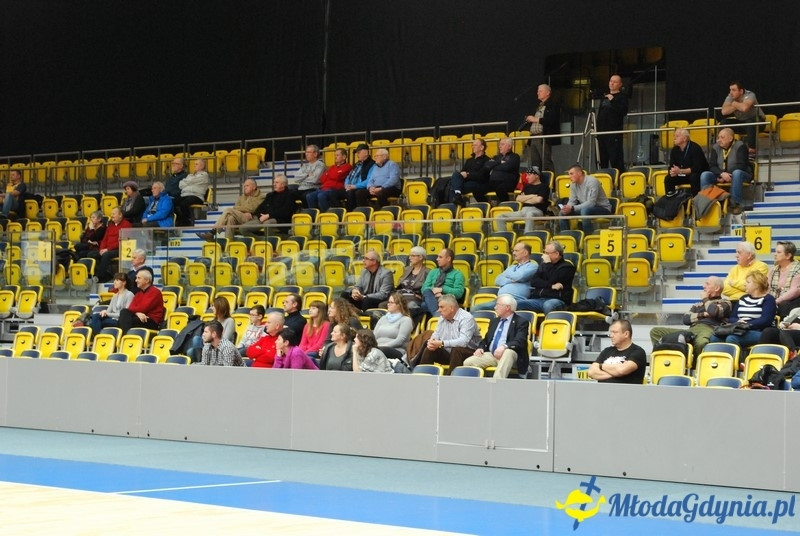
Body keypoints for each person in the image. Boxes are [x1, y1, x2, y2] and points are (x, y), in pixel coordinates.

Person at [649, 276, 732, 357]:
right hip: (692, 329)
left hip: (709, 328)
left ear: (717, 288)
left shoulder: (725, 302)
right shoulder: (697, 305)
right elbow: (686, 319)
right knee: (655, 332)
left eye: (707, 284)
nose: (703, 286)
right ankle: (667, 358)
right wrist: (703, 314)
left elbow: (714, 312)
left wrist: (705, 299)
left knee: (701, 343)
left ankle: (696, 367)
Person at [461, 294, 531, 378]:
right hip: (492, 355)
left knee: (508, 352)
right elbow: (486, 340)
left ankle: (497, 384)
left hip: (512, 356)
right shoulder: (494, 321)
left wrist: (504, 347)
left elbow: (520, 341)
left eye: (498, 305)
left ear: (507, 307)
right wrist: (481, 348)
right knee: (468, 362)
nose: (495, 307)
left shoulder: (521, 322)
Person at [711, 271, 777, 351]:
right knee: (715, 338)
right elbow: (732, 317)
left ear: (757, 285)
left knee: (731, 338)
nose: (745, 284)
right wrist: (739, 321)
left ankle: (738, 363)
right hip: (740, 328)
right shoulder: (743, 298)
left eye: (748, 282)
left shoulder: (768, 299)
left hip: (759, 331)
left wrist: (747, 324)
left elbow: (766, 320)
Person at [417, 294, 481, 374]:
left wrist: (442, 343)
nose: (438, 310)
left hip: (471, 353)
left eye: (441, 307)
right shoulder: (442, 318)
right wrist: (432, 342)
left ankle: (450, 381)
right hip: (449, 353)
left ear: (451, 308)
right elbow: (436, 335)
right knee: (430, 349)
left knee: (457, 350)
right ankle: (422, 377)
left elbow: (463, 342)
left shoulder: (466, 318)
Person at [699, 127, 752, 214]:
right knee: (705, 175)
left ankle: (735, 204)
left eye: (722, 137)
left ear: (730, 138)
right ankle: (706, 203)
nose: (719, 140)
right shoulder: (716, 147)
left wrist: (727, 174)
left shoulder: (740, 146)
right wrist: (721, 174)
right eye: (718, 137)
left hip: (741, 174)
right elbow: (712, 166)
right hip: (721, 174)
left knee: (737, 173)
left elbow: (742, 165)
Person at [472, 242, 538, 311]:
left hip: (515, 300)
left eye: (516, 251)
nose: (514, 253)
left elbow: (519, 276)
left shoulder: (532, 266)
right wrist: (511, 280)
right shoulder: (512, 267)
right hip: (500, 299)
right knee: (475, 308)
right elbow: (497, 280)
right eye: (513, 251)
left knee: (477, 308)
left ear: (525, 253)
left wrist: (508, 275)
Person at [517, 240, 576, 314]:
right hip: (538, 299)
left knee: (548, 305)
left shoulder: (567, 267)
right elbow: (534, 281)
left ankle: (550, 325)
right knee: (516, 304)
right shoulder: (543, 265)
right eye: (544, 252)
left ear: (556, 254)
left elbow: (554, 279)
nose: (543, 256)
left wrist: (548, 263)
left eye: (547, 253)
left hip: (557, 299)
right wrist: (551, 286)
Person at [197, 178, 264, 241]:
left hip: (252, 219)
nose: (245, 187)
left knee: (229, 210)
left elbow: (252, 208)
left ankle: (213, 232)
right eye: (244, 186)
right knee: (230, 218)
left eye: (247, 186)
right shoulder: (241, 197)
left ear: (254, 187)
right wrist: (243, 211)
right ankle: (229, 242)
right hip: (241, 217)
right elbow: (237, 208)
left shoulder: (260, 197)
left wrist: (239, 209)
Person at [588, 319, 647, 384]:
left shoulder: (637, 352)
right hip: (603, 392)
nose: (611, 335)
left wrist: (601, 366)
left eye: (615, 332)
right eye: (611, 332)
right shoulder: (606, 351)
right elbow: (591, 372)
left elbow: (622, 370)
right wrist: (615, 374)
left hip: (626, 392)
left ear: (626, 334)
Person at [559, 164, 612, 235]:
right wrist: (567, 208)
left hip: (602, 208)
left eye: (571, 174)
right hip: (584, 208)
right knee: (562, 212)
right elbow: (572, 200)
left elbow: (591, 203)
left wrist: (572, 208)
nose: (569, 177)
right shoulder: (573, 185)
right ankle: (567, 236)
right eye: (569, 174)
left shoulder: (592, 182)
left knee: (585, 211)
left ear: (579, 173)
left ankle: (588, 236)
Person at [498, 167, 550, 233]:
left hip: (537, 210)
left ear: (536, 175)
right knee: (501, 216)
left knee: (529, 214)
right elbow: (518, 199)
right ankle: (503, 236)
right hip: (523, 210)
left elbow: (538, 200)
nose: (527, 177)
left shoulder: (544, 187)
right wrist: (532, 196)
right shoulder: (526, 187)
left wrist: (525, 198)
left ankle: (527, 235)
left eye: (529, 175)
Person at [418, 248, 465, 318]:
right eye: (437, 257)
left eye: (440, 257)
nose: (437, 259)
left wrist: (442, 290)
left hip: (447, 301)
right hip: (432, 297)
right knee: (427, 291)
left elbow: (459, 293)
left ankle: (437, 316)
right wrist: (434, 291)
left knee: (422, 306)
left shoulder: (458, 274)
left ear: (448, 259)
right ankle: (438, 316)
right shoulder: (433, 272)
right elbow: (424, 288)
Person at [524, 84, 561, 172]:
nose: (538, 93)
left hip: (543, 137)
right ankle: (535, 182)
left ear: (548, 92)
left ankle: (549, 183)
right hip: (533, 137)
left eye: (540, 91)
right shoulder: (538, 106)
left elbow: (552, 120)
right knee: (534, 162)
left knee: (546, 162)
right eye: (537, 91)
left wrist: (535, 119)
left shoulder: (553, 105)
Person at [596, 74, 628, 172]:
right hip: (602, 132)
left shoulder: (622, 97)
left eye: (615, 82)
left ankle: (618, 180)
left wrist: (613, 100)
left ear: (620, 84)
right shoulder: (604, 98)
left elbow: (623, 111)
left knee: (615, 158)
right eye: (611, 81)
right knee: (602, 158)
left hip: (614, 132)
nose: (612, 83)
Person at [91, 207, 132, 283]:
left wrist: (107, 249)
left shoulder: (127, 225)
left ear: (120, 215)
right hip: (107, 249)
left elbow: (122, 241)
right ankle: (106, 275)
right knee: (92, 254)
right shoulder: (110, 225)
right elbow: (105, 239)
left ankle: (100, 278)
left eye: (114, 213)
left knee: (106, 255)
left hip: (119, 249)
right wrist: (101, 249)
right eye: (111, 213)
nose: (111, 215)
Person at [117, 269, 164, 334]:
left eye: (139, 278)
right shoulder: (138, 294)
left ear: (147, 280)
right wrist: (137, 313)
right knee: (124, 313)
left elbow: (143, 308)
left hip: (151, 320)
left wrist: (135, 312)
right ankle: (125, 337)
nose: (136, 280)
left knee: (124, 318)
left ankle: (125, 338)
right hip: (139, 318)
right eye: (136, 278)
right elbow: (130, 307)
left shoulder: (155, 292)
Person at [447, 139, 491, 207]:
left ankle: (454, 207)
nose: (473, 147)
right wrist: (464, 175)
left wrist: (468, 175)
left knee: (453, 187)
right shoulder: (469, 160)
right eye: (472, 145)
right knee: (456, 175)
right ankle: (457, 200)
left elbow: (482, 175)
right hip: (467, 182)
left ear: (482, 147)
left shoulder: (487, 160)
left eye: (475, 145)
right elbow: (462, 172)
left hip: (479, 183)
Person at [721, 81, 763, 150]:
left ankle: (752, 150)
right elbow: (724, 111)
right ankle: (727, 148)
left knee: (750, 122)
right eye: (730, 90)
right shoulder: (730, 97)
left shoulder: (750, 95)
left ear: (741, 91)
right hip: (742, 122)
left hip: (758, 122)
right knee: (724, 123)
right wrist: (738, 105)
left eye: (734, 90)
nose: (731, 92)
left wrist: (733, 103)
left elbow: (744, 108)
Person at [667, 128, 709, 196]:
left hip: (696, 175)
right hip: (682, 175)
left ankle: (695, 200)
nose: (674, 138)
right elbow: (671, 165)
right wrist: (672, 171)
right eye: (674, 136)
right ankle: (671, 200)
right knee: (668, 178)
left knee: (694, 177)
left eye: (677, 136)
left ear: (684, 138)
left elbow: (697, 168)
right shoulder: (674, 150)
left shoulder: (695, 148)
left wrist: (680, 171)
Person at [373, 292, 414, 360]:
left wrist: (383, 346)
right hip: (378, 348)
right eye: (388, 302)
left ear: (399, 305)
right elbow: (374, 336)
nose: (388, 304)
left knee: (380, 351)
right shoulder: (383, 318)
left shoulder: (406, 320)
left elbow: (400, 340)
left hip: (396, 350)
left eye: (391, 302)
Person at [768, 241, 800, 319]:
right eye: (775, 251)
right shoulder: (773, 270)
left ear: (788, 255)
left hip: (791, 302)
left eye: (778, 252)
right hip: (773, 300)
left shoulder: (798, 269)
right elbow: (766, 287)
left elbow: (795, 291)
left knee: (784, 305)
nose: (775, 254)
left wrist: (776, 301)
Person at [484, 138, 521, 203]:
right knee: (478, 189)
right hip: (493, 182)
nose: (499, 146)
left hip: (507, 182)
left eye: (502, 144)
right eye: (499, 144)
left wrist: (494, 165)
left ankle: (506, 205)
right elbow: (487, 165)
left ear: (509, 146)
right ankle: (489, 207)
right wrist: (500, 162)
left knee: (500, 189)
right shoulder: (496, 157)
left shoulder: (515, 157)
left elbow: (507, 167)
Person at [175, 158, 209, 226]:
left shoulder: (204, 175)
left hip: (197, 196)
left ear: (202, 166)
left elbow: (187, 182)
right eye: (194, 164)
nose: (194, 166)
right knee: (172, 202)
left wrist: (186, 182)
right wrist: (190, 182)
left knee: (184, 204)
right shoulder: (189, 175)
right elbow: (180, 184)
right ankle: (179, 220)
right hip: (185, 195)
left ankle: (187, 221)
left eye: (196, 164)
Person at [341, 143, 375, 211]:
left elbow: (369, 180)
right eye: (357, 153)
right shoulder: (357, 164)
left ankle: (356, 213)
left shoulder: (372, 164)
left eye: (359, 152)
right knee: (333, 193)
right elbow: (348, 176)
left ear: (366, 153)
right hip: (351, 187)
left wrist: (355, 186)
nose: (357, 154)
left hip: (362, 188)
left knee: (355, 193)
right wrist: (347, 185)